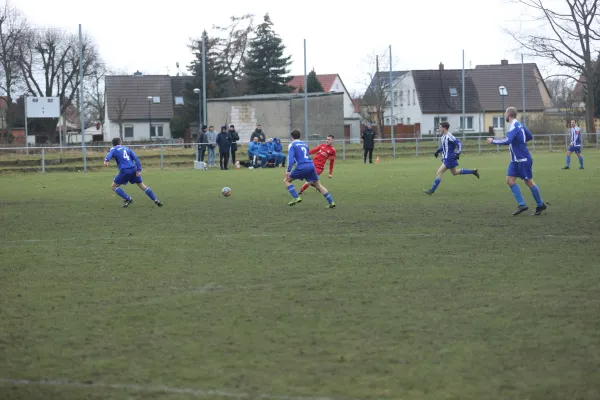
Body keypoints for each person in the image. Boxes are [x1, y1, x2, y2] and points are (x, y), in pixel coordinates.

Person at [487, 106, 548, 216]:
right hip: (515, 160)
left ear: (508, 115)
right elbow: (529, 136)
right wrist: (520, 142)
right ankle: (522, 204)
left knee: (529, 182)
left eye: (505, 113)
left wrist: (493, 141)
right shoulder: (518, 124)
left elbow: (507, 140)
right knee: (510, 181)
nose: (505, 115)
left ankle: (540, 204)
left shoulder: (514, 125)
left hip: (523, 159)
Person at [103, 137, 163, 208]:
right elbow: (136, 159)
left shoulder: (113, 149)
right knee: (143, 186)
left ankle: (128, 199)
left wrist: (106, 160)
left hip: (125, 171)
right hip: (134, 169)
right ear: (121, 142)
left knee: (113, 186)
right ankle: (156, 200)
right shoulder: (128, 149)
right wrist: (139, 169)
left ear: (113, 144)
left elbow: (109, 154)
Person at [284, 129, 336, 208]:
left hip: (302, 166)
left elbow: (290, 159)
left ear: (292, 137)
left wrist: (288, 171)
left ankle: (296, 197)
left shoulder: (292, 144)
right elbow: (307, 154)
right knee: (318, 185)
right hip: (311, 165)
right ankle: (331, 202)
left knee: (287, 181)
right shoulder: (304, 144)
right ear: (299, 136)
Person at [424, 121, 479, 195]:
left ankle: (432, 190)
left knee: (439, 172)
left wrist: (458, 153)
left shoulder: (450, 136)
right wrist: (437, 151)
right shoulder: (443, 136)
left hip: (449, 158)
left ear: (444, 128)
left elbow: (459, 143)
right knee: (455, 172)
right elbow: (444, 146)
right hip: (447, 158)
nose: (439, 129)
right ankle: (473, 171)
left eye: (440, 127)